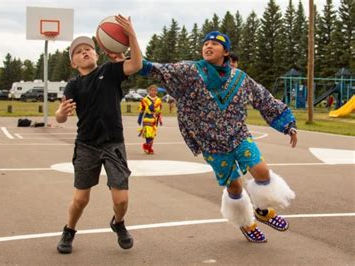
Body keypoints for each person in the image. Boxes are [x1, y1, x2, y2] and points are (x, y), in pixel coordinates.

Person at [140, 31, 297, 243]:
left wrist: (288, 125)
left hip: (239, 136)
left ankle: (262, 209)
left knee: (261, 171)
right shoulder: (190, 71)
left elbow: (263, 98)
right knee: (234, 186)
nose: (208, 46)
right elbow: (157, 68)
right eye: (205, 43)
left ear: (225, 51)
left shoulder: (240, 78)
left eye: (214, 43)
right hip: (211, 144)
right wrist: (131, 55)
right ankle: (246, 223)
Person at [55, 15, 142, 254]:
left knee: (121, 200)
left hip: (113, 144)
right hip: (87, 146)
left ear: (97, 53)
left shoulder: (110, 71)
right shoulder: (73, 85)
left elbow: (135, 64)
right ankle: (69, 230)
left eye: (89, 49)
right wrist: (59, 113)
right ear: (73, 62)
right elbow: (61, 117)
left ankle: (119, 223)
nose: (85, 52)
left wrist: (131, 35)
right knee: (81, 199)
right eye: (78, 51)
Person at [137, 84, 162, 154]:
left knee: (152, 134)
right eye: (152, 90)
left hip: (154, 119)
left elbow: (160, 110)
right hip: (147, 118)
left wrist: (159, 119)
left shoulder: (159, 100)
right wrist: (139, 118)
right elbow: (142, 109)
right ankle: (147, 147)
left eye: (155, 91)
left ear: (157, 92)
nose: (153, 92)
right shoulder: (145, 99)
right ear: (149, 91)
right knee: (148, 133)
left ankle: (149, 148)